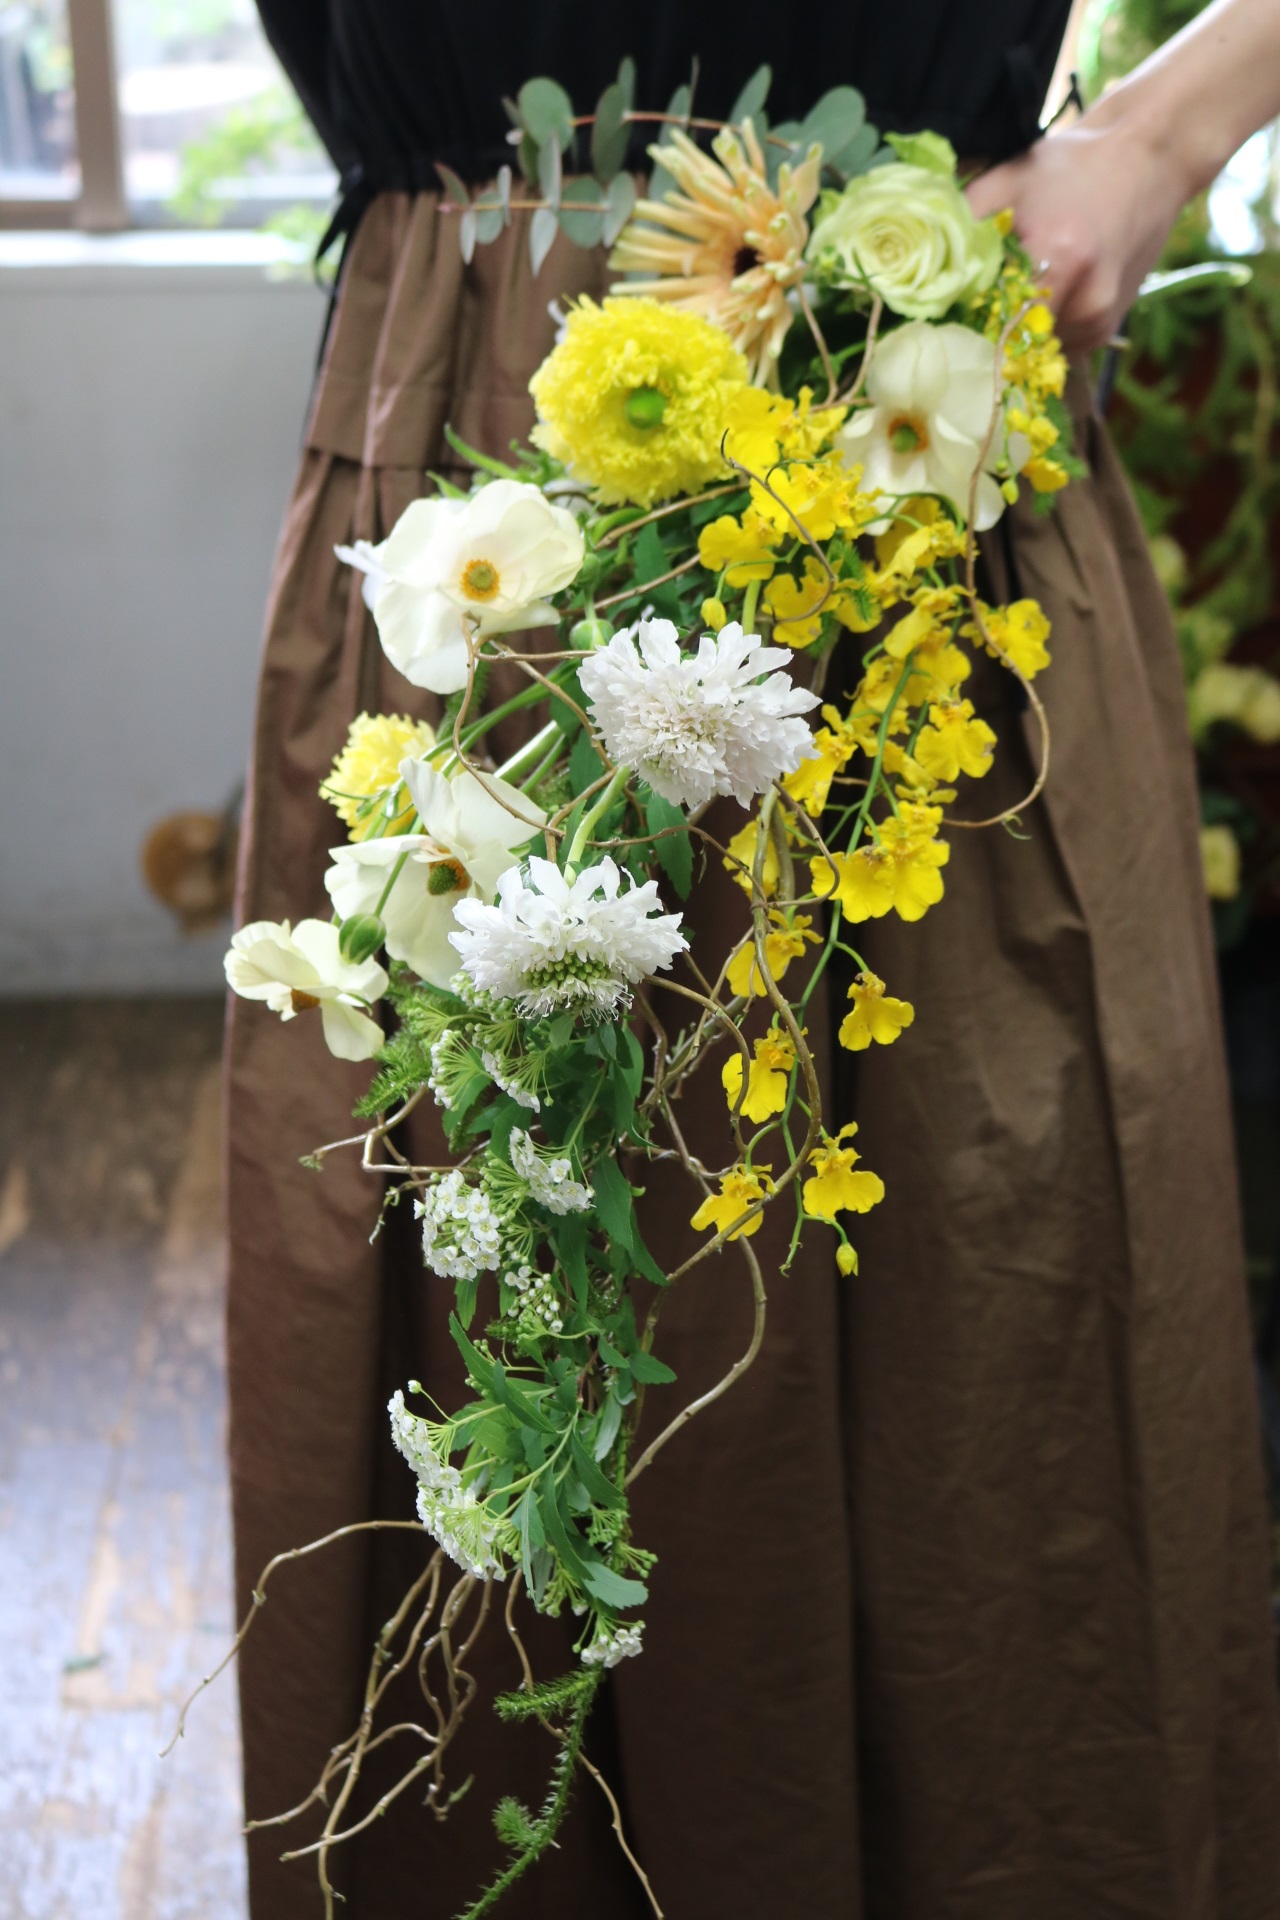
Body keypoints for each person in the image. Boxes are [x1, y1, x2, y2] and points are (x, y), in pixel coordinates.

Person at [226, 3, 1280, 1915]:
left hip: (912, 428)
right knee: (486, 1329)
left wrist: (1164, 131)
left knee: (990, 1339)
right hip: (467, 452)